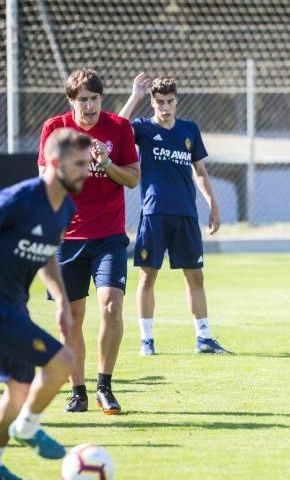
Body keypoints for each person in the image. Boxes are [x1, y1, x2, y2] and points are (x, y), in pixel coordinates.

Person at [37, 68, 140, 414]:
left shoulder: (119, 128)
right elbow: (44, 180)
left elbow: (133, 179)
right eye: (83, 100)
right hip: (66, 238)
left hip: (109, 235)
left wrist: (107, 163)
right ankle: (77, 391)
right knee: (71, 317)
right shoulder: (54, 128)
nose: (90, 106)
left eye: (95, 99)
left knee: (111, 305)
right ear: (71, 101)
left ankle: (104, 387)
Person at [0, 129, 91, 479]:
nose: (86, 170)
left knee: (19, 391)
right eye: (79, 164)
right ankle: (27, 428)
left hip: (15, 305)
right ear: (54, 162)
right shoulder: (21, 199)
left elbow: (47, 253)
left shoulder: (65, 208)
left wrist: (62, 303)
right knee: (63, 362)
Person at [118, 74, 230, 355]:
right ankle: (147, 340)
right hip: (154, 213)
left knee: (196, 276)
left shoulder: (189, 130)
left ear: (176, 101)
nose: (165, 107)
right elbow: (115, 128)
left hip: (186, 214)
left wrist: (213, 205)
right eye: (159, 102)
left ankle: (203, 338)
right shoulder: (142, 128)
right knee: (147, 277)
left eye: (169, 101)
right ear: (153, 103)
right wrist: (135, 97)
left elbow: (200, 172)